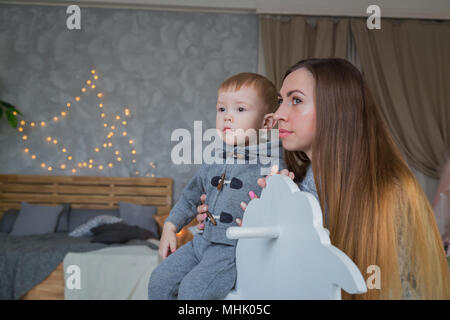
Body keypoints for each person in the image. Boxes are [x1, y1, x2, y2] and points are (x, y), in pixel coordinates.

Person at [196, 58, 450, 299]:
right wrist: (237, 227)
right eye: (280, 101)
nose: (279, 114)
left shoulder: (391, 191)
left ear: (336, 109)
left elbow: (409, 289)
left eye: (295, 100)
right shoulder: (295, 184)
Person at [148, 72, 282, 299]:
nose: (227, 117)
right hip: (200, 242)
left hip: (231, 251)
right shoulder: (213, 159)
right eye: (222, 109)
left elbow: (281, 210)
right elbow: (191, 197)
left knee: (194, 292)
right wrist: (170, 226)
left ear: (267, 122)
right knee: (159, 281)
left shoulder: (273, 164)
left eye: (240, 109)